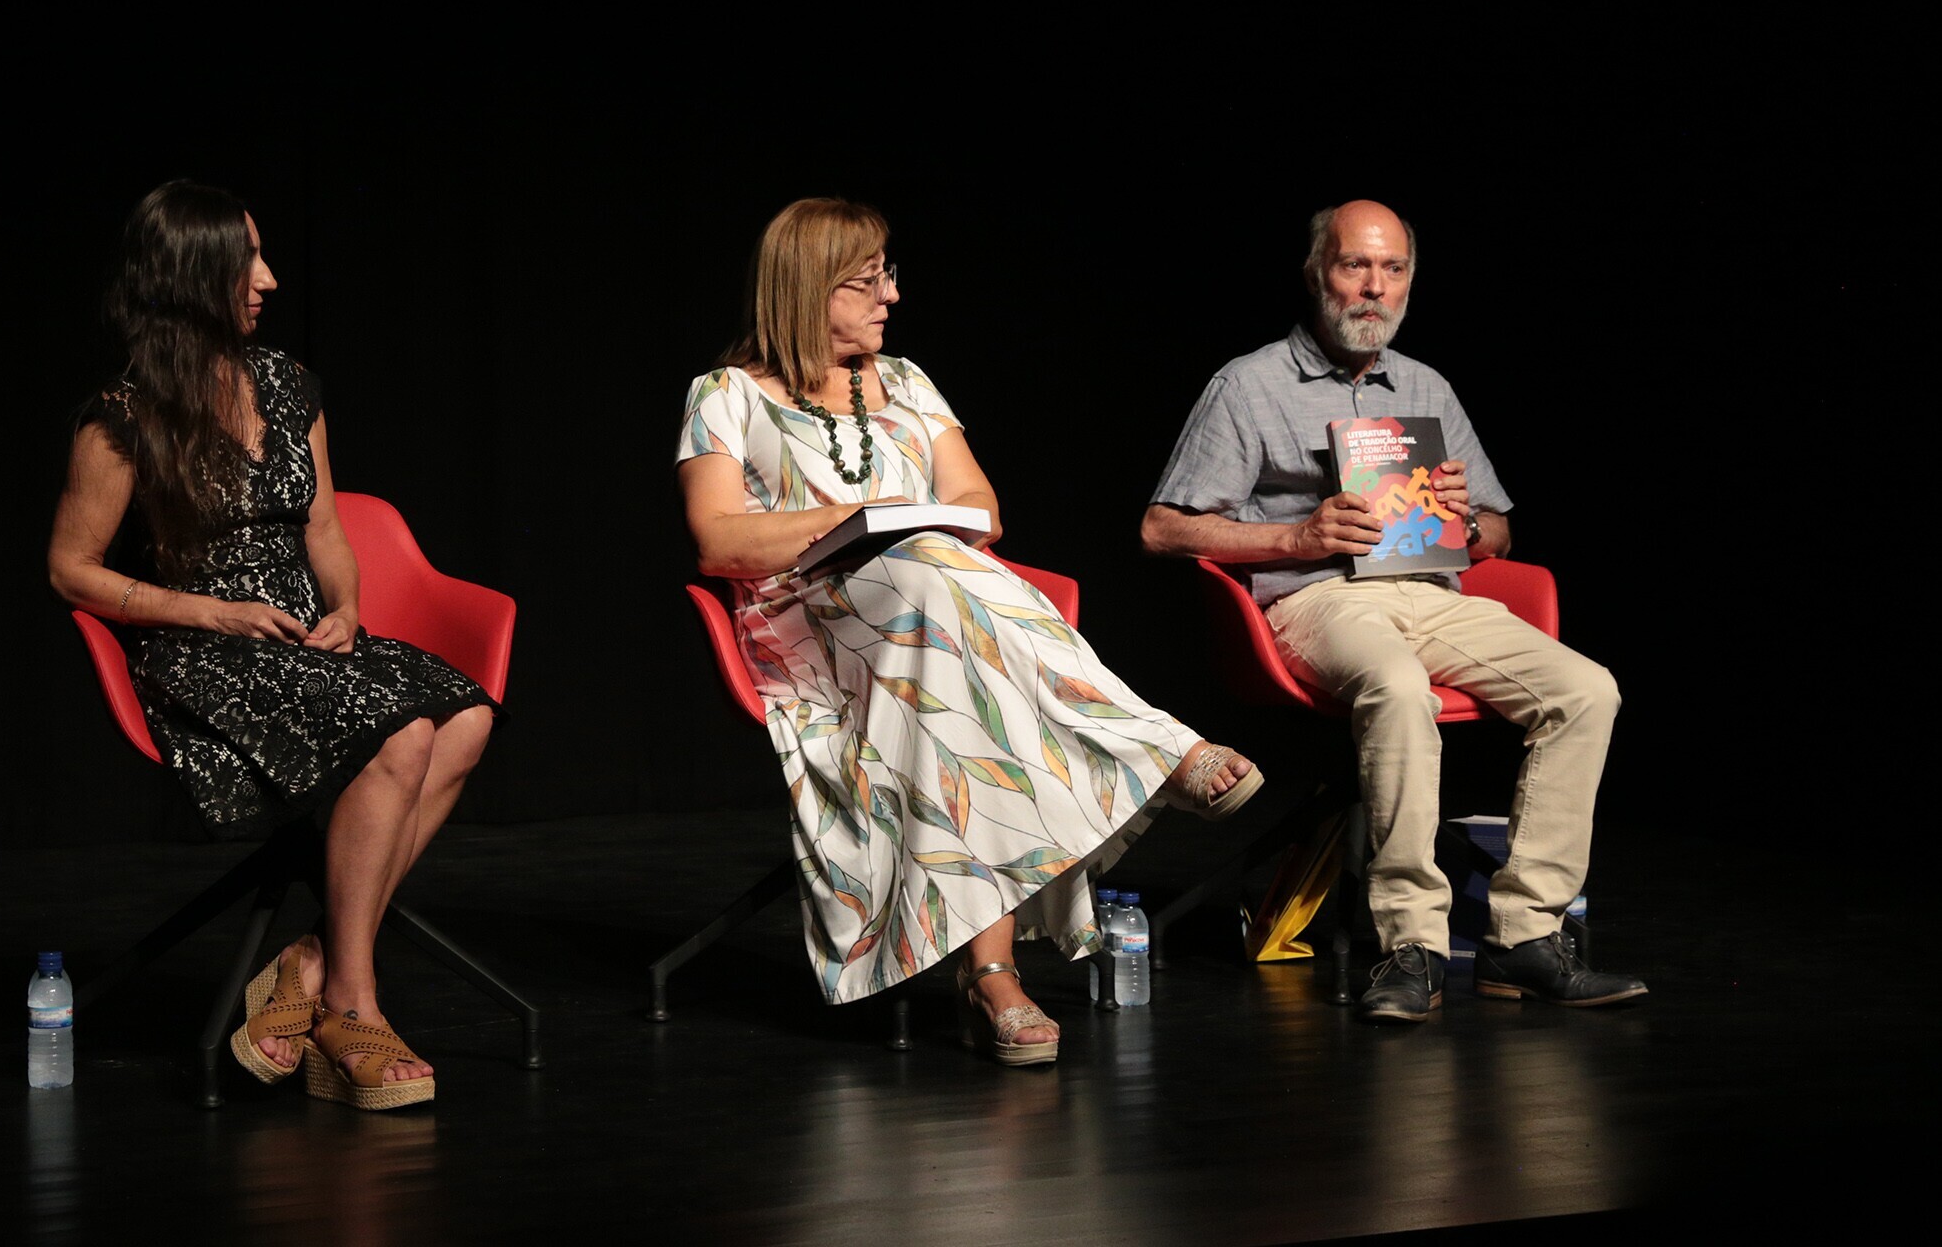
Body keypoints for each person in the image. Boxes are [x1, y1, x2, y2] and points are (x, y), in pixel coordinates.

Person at [676, 197, 1262, 1066]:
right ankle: (1150, 748)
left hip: (934, 613)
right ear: (805, 291)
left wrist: (907, 530)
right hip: (810, 618)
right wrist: (860, 520)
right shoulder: (725, 396)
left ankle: (992, 977)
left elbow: (981, 510)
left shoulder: (908, 382)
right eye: (867, 282)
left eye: (890, 275)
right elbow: (718, 539)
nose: (892, 297)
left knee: (940, 612)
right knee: (935, 578)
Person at [1141, 199, 1647, 1023]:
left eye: (1393, 269)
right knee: (1400, 688)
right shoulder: (1249, 383)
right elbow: (1162, 529)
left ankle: (1524, 934)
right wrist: (1297, 535)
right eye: (1354, 266)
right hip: (1317, 599)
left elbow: (1498, 532)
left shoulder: (1425, 387)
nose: (1374, 288)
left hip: (1431, 594)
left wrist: (1468, 517)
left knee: (1587, 689)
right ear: (1317, 274)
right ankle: (1411, 942)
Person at [47, 180, 496, 1107]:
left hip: (302, 634)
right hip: (203, 649)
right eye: (246, 260)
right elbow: (72, 570)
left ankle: (313, 960)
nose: (269, 278)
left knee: (466, 716)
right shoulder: (122, 417)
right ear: (191, 275)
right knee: (401, 731)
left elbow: (326, 528)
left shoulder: (290, 386)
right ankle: (357, 1006)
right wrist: (210, 612)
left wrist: (347, 608)